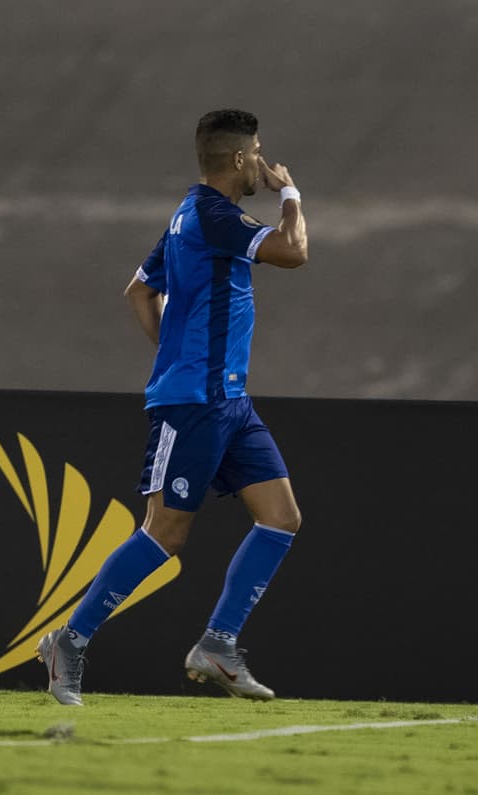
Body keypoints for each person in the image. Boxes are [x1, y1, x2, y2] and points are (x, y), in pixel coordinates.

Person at [35, 109, 309, 706]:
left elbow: (138, 291)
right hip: (194, 403)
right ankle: (69, 642)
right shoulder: (214, 216)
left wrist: (178, 350)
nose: (261, 161)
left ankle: (218, 645)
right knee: (165, 531)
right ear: (238, 159)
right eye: (256, 152)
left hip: (228, 398)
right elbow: (294, 252)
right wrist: (288, 189)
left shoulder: (190, 213)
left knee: (281, 516)